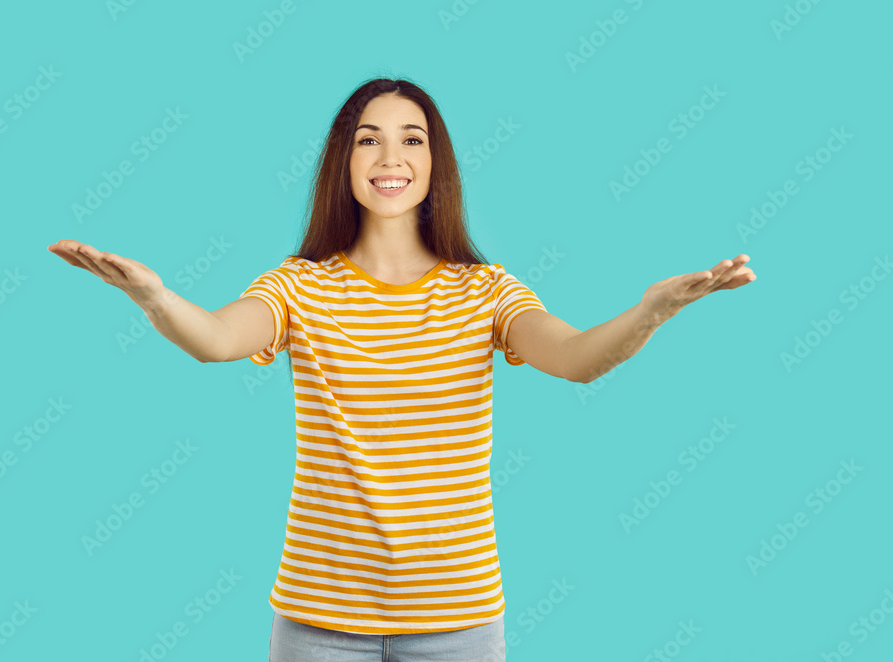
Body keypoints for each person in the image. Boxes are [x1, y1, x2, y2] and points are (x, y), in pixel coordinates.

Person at [48, 77, 755, 661]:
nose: (391, 157)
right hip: (317, 620)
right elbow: (217, 338)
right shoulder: (300, 286)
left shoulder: (485, 291)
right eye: (369, 139)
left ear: (436, 161)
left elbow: (574, 358)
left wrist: (651, 312)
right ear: (344, 161)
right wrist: (156, 298)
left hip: (459, 618)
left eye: (412, 139)